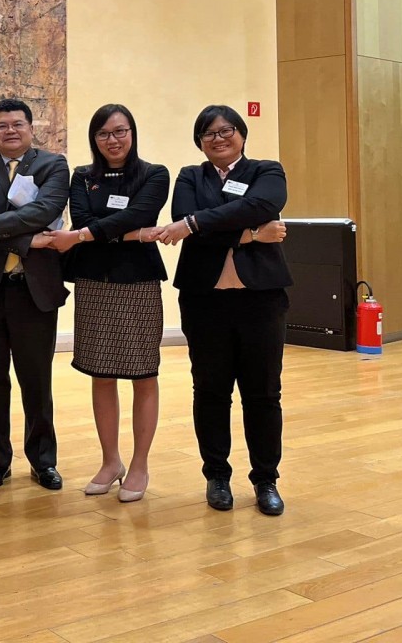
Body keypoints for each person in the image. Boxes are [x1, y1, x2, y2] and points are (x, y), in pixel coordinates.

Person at [157, 105, 291, 516]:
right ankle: (217, 476)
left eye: (226, 130)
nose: (218, 138)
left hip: (261, 300)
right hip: (204, 301)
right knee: (211, 391)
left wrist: (198, 225)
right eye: (208, 133)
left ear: (242, 134)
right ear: (200, 142)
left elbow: (262, 205)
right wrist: (252, 235)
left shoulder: (267, 171)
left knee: (264, 393)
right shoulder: (188, 176)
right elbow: (184, 219)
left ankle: (265, 479)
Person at [47, 104, 168, 503]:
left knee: (142, 373)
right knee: (101, 372)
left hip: (138, 283)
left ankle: (140, 464)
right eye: (104, 133)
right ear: (94, 138)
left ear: (132, 133)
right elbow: (91, 218)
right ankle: (110, 460)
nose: (113, 140)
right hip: (94, 282)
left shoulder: (154, 174)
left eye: (120, 131)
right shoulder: (82, 177)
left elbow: (142, 213)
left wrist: (90, 235)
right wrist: (130, 233)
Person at [0, 97, 69, 490]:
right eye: (2, 125)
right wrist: (26, 240)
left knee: (36, 379)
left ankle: (43, 460)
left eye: (17, 124)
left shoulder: (53, 165)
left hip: (34, 290)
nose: (10, 131)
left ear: (31, 128)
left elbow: (47, 210)